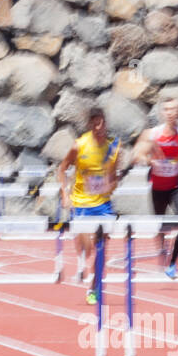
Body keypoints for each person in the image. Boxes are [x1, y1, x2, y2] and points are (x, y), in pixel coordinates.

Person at [56, 106, 122, 305]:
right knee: (85, 248)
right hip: (82, 203)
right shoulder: (80, 145)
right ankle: (82, 261)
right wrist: (64, 194)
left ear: (106, 123)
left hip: (103, 205)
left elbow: (113, 175)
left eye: (101, 122)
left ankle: (93, 288)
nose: (98, 127)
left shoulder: (114, 147)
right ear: (89, 125)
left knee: (101, 248)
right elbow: (62, 169)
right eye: (94, 123)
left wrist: (112, 183)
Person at [131, 99, 178, 279]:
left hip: (177, 185)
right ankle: (163, 250)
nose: (170, 113)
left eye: (173, 109)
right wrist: (149, 160)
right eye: (166, 109)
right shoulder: (153, 134)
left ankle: (172, 263)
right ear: (162, 113)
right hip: (158, 186)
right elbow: (136, 154)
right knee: (161, 226)